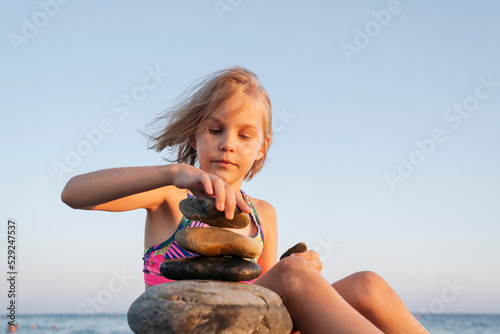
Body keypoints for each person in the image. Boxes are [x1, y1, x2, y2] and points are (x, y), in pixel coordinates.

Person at [61, 66, 428, 334]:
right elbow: (74, 194)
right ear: (195, 137)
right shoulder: (172, 196)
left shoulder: (262, 213)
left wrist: (297, 270)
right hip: (195, 326)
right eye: (215, 129)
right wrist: (172, 173)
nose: (228, 143)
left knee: (366, 283)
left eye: (245, 134)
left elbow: (267, 299)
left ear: (261, 147)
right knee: (293, 275)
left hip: (249, 326)